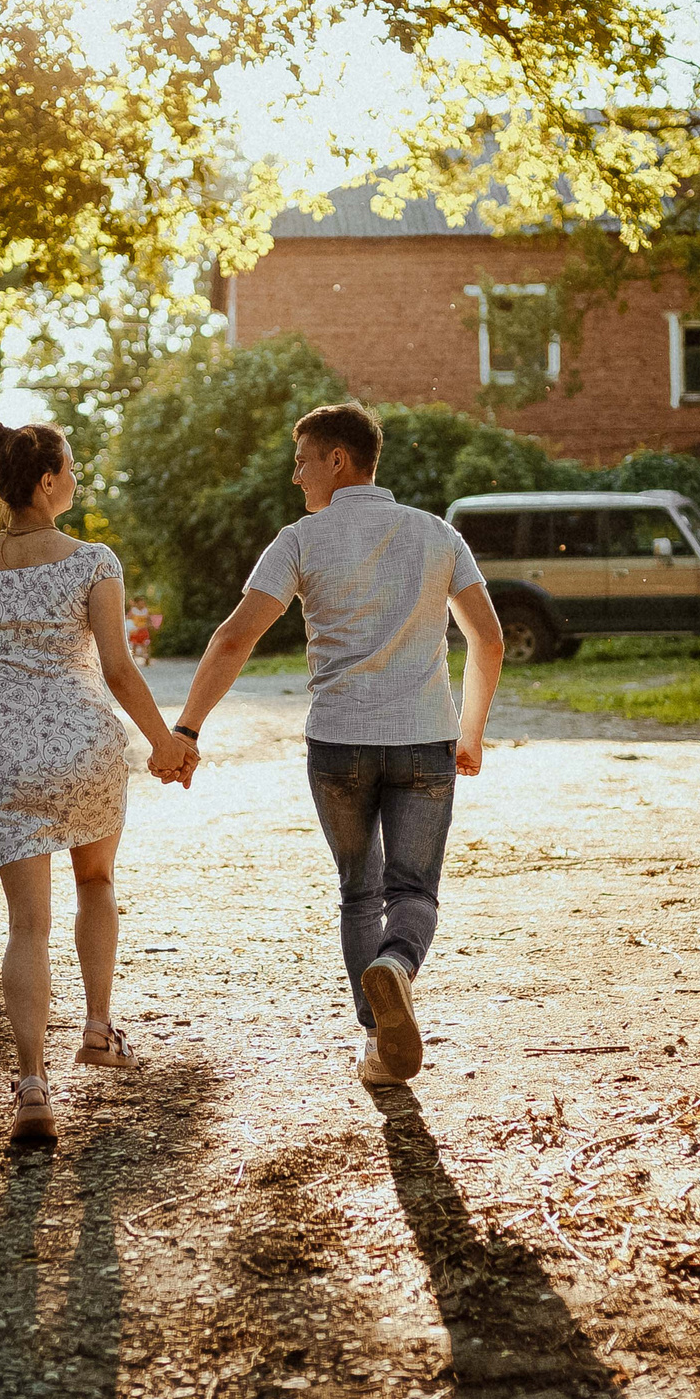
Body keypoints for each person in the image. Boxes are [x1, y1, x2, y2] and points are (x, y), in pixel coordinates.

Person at [168, 402, 504, 1084]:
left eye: (301, 461)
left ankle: (381, 1038)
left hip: (338, 744)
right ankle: (396, 966)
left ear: (337, 460)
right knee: (413, 890)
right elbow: (488, 638)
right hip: (424, 740)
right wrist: (470, 730)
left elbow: (235, 636)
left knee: (360, 891)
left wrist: (188, 727)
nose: (296, 478)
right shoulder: (437, 534)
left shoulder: (299, 540)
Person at [0, 421, 199, 1141]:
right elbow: (118, 668)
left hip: (9, 752)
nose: (78, 475)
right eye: (73, 465)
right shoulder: (93, 561)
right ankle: (96, 1027)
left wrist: (9, 637)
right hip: (86, 744)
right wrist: (167, 743)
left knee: (27, 923)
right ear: (48, 480)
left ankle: (31, 1085)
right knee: (95, 881)